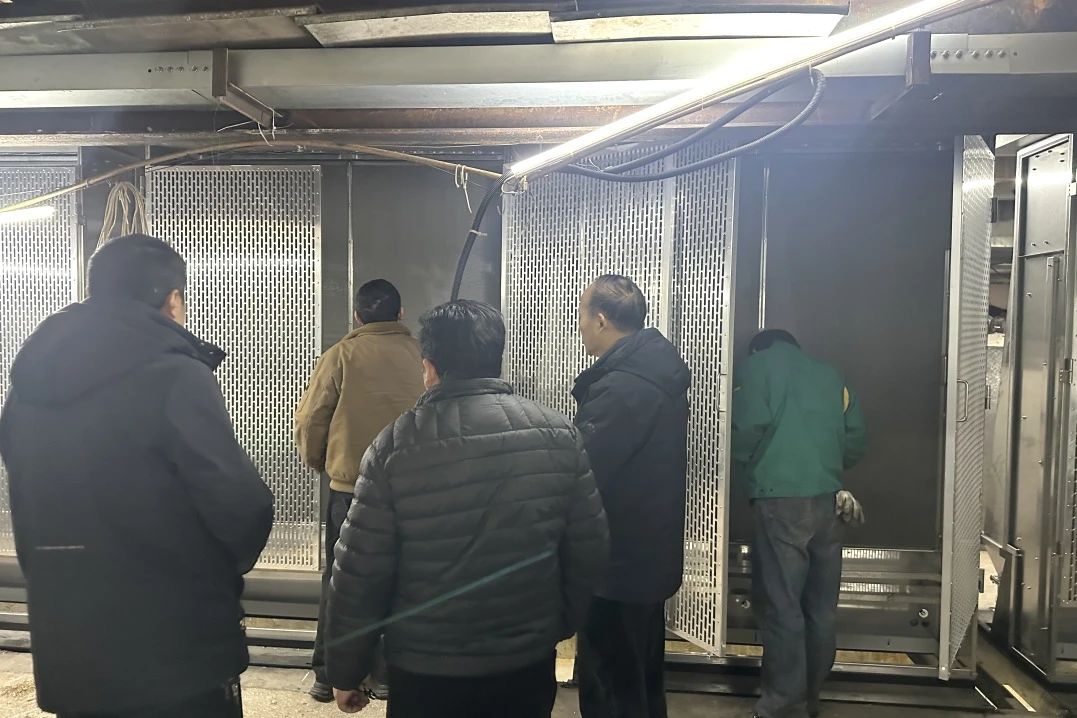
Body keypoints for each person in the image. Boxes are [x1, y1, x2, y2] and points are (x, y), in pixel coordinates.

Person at [0, 234, 274, 718]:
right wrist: (214, 574)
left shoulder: (28, 387)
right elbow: (241, 507)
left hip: (70, 644)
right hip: (174, 652)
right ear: (173, 300)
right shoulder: (175, 375)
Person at [324, 300, 609, 718]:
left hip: (425, 670)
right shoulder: (559, 435)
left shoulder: (394, 446)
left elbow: (360, 571)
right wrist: (554, 625)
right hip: (524, 664)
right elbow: (589, 548)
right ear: (496, 358)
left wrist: (346, 670)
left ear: (429, 367)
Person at [294, 278, 425, 703]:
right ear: (400, 314)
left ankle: (327, 675)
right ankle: (386, 675)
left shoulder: (340, 356)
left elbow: (311, 419)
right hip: (411, 492)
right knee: (401, 579)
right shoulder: (424, 355)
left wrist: (324, 464)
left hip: (350, 490)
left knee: (340, 581)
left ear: (357, 316)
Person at [731, 329, 868, 718]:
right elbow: (855, 438)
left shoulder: (757, 367)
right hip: (829, 500)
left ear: (758, 349)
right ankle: (811, 696)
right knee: (821, 608)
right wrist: (825, 468)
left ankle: (782, 704)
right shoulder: (831, 375)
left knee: (782, 604)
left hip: (779, 500)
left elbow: (746, 430)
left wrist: (744, 470)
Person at [572, 274, 691, 718]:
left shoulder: (621, 388)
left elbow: (585, 472)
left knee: (611, 686)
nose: (579, 325)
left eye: (582, 314)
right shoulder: (654, 373)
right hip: (647, 555)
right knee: (640, 679)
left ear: (601, 320)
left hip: (616, 564)